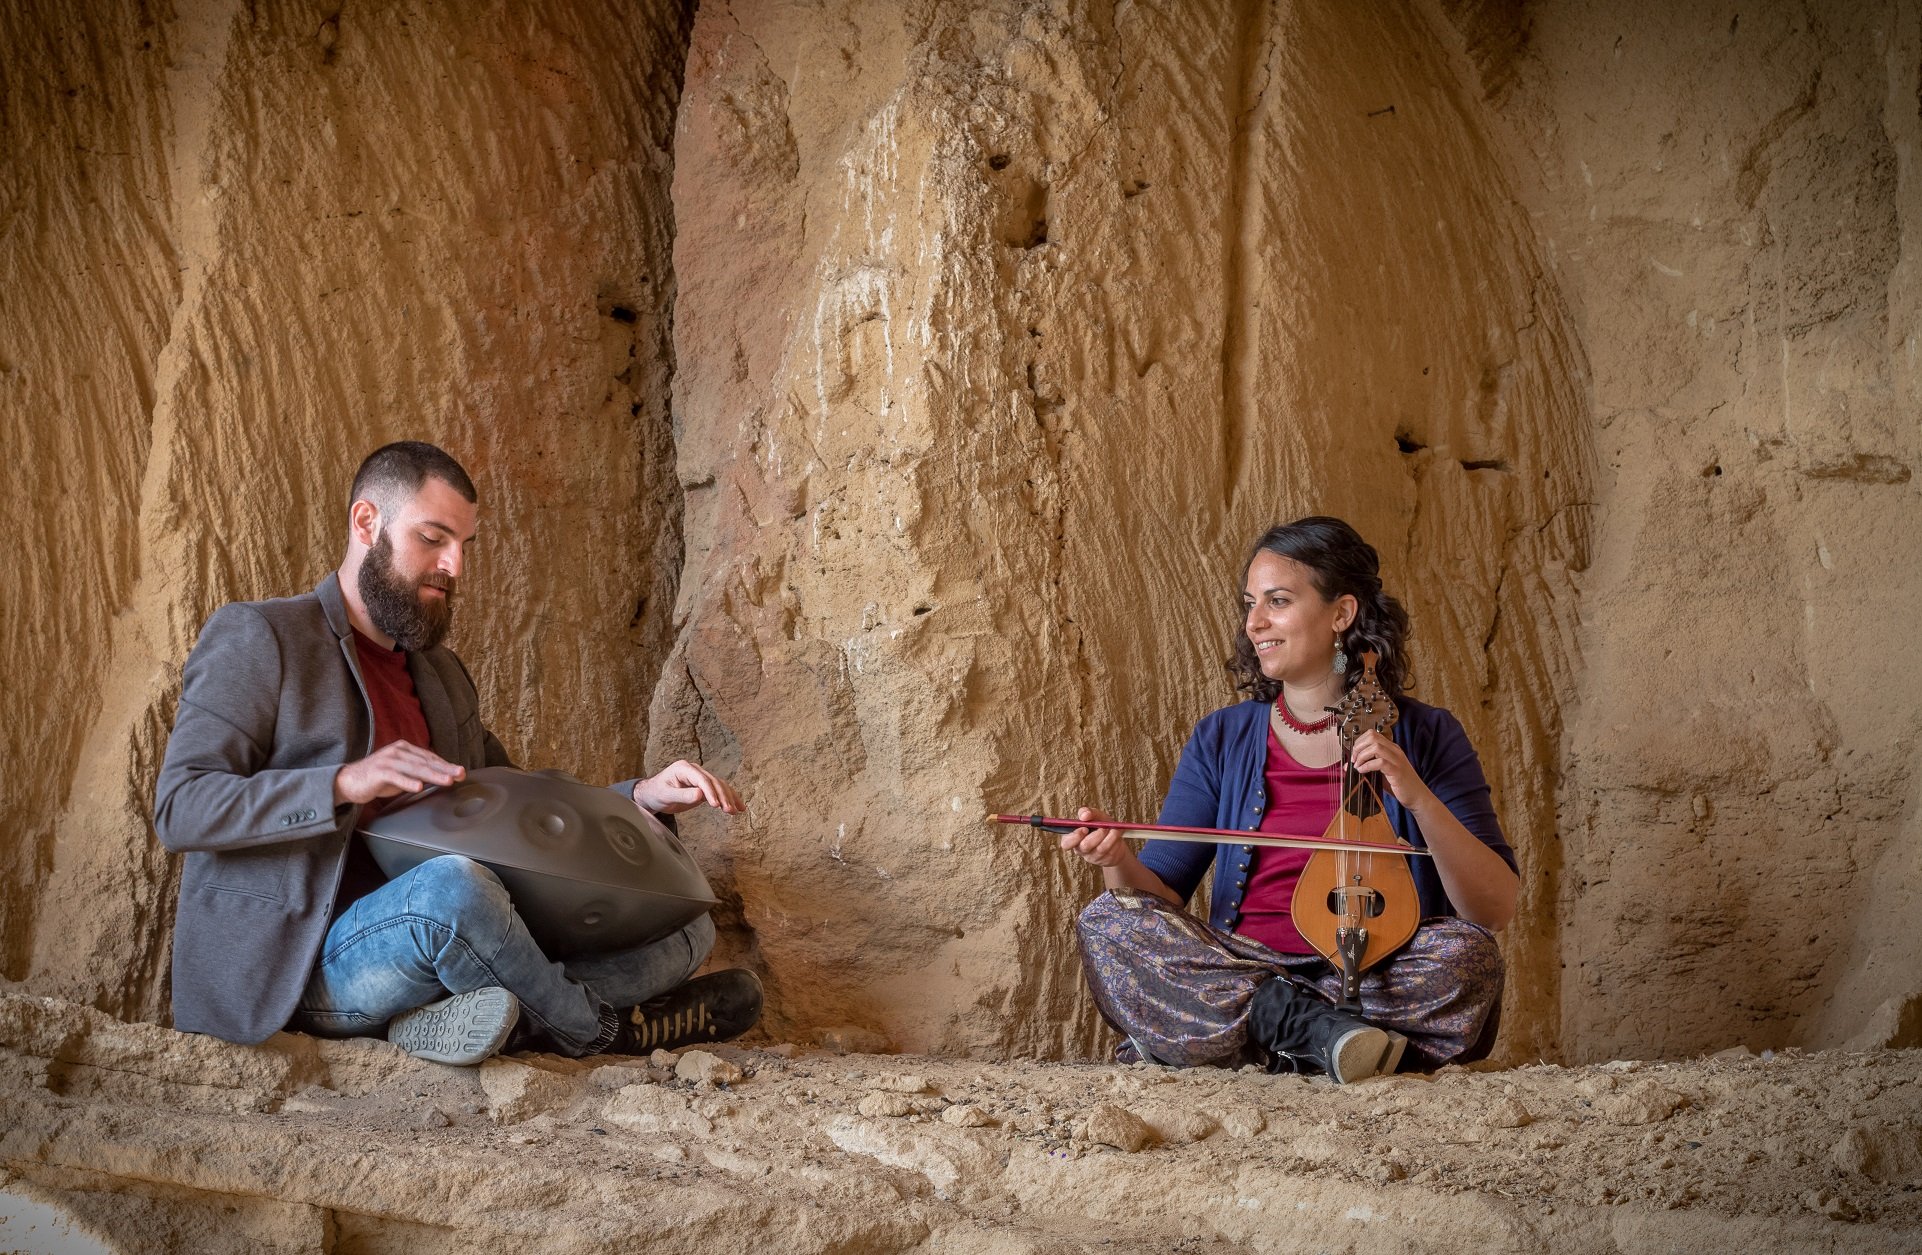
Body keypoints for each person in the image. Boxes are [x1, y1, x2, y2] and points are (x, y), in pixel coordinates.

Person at [154, 441, 762, 1066]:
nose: (454, 566)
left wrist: (638, 799)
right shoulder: (262, 636)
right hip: (308, 966)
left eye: (463, 546)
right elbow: (180, 808)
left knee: (687, 922)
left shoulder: (442, 676)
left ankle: (473, 1022)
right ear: (367, 523)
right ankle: (602, 1030)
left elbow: (523, 812)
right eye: (433, 538)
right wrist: (343, 783)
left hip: (460, 941)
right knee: (453, 889)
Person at [1061, 517, 1517, 1082]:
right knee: (1112, 923)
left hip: (1370, 975)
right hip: (1242, 969)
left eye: (1277, 601)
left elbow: (1492, 911)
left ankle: (1262, 1038)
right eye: (1250, 603)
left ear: (1341, 614)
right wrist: (1117, 860)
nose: (1254, 623)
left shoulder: (1428, 734)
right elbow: (1157, 900)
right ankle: (1316, 1037)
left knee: (1464, 958)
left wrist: (1418, 798)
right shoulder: (1222, 737)